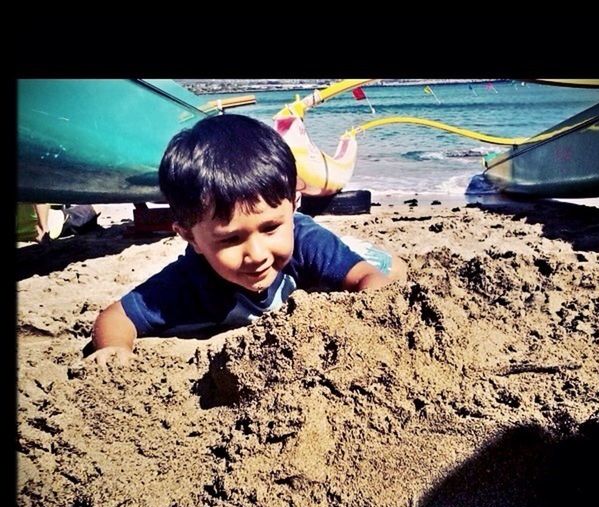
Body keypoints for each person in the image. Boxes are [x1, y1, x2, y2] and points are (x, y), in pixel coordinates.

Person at [89, 114, 407, 366]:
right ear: (191, 238)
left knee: (392, 270)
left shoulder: (304, 240)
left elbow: (368, 280)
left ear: (293, 205)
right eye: (231, 239)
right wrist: (115, 349)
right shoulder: (189, 281)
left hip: (325, 255)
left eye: (270, 228)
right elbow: (115, 318)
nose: (256, 254)